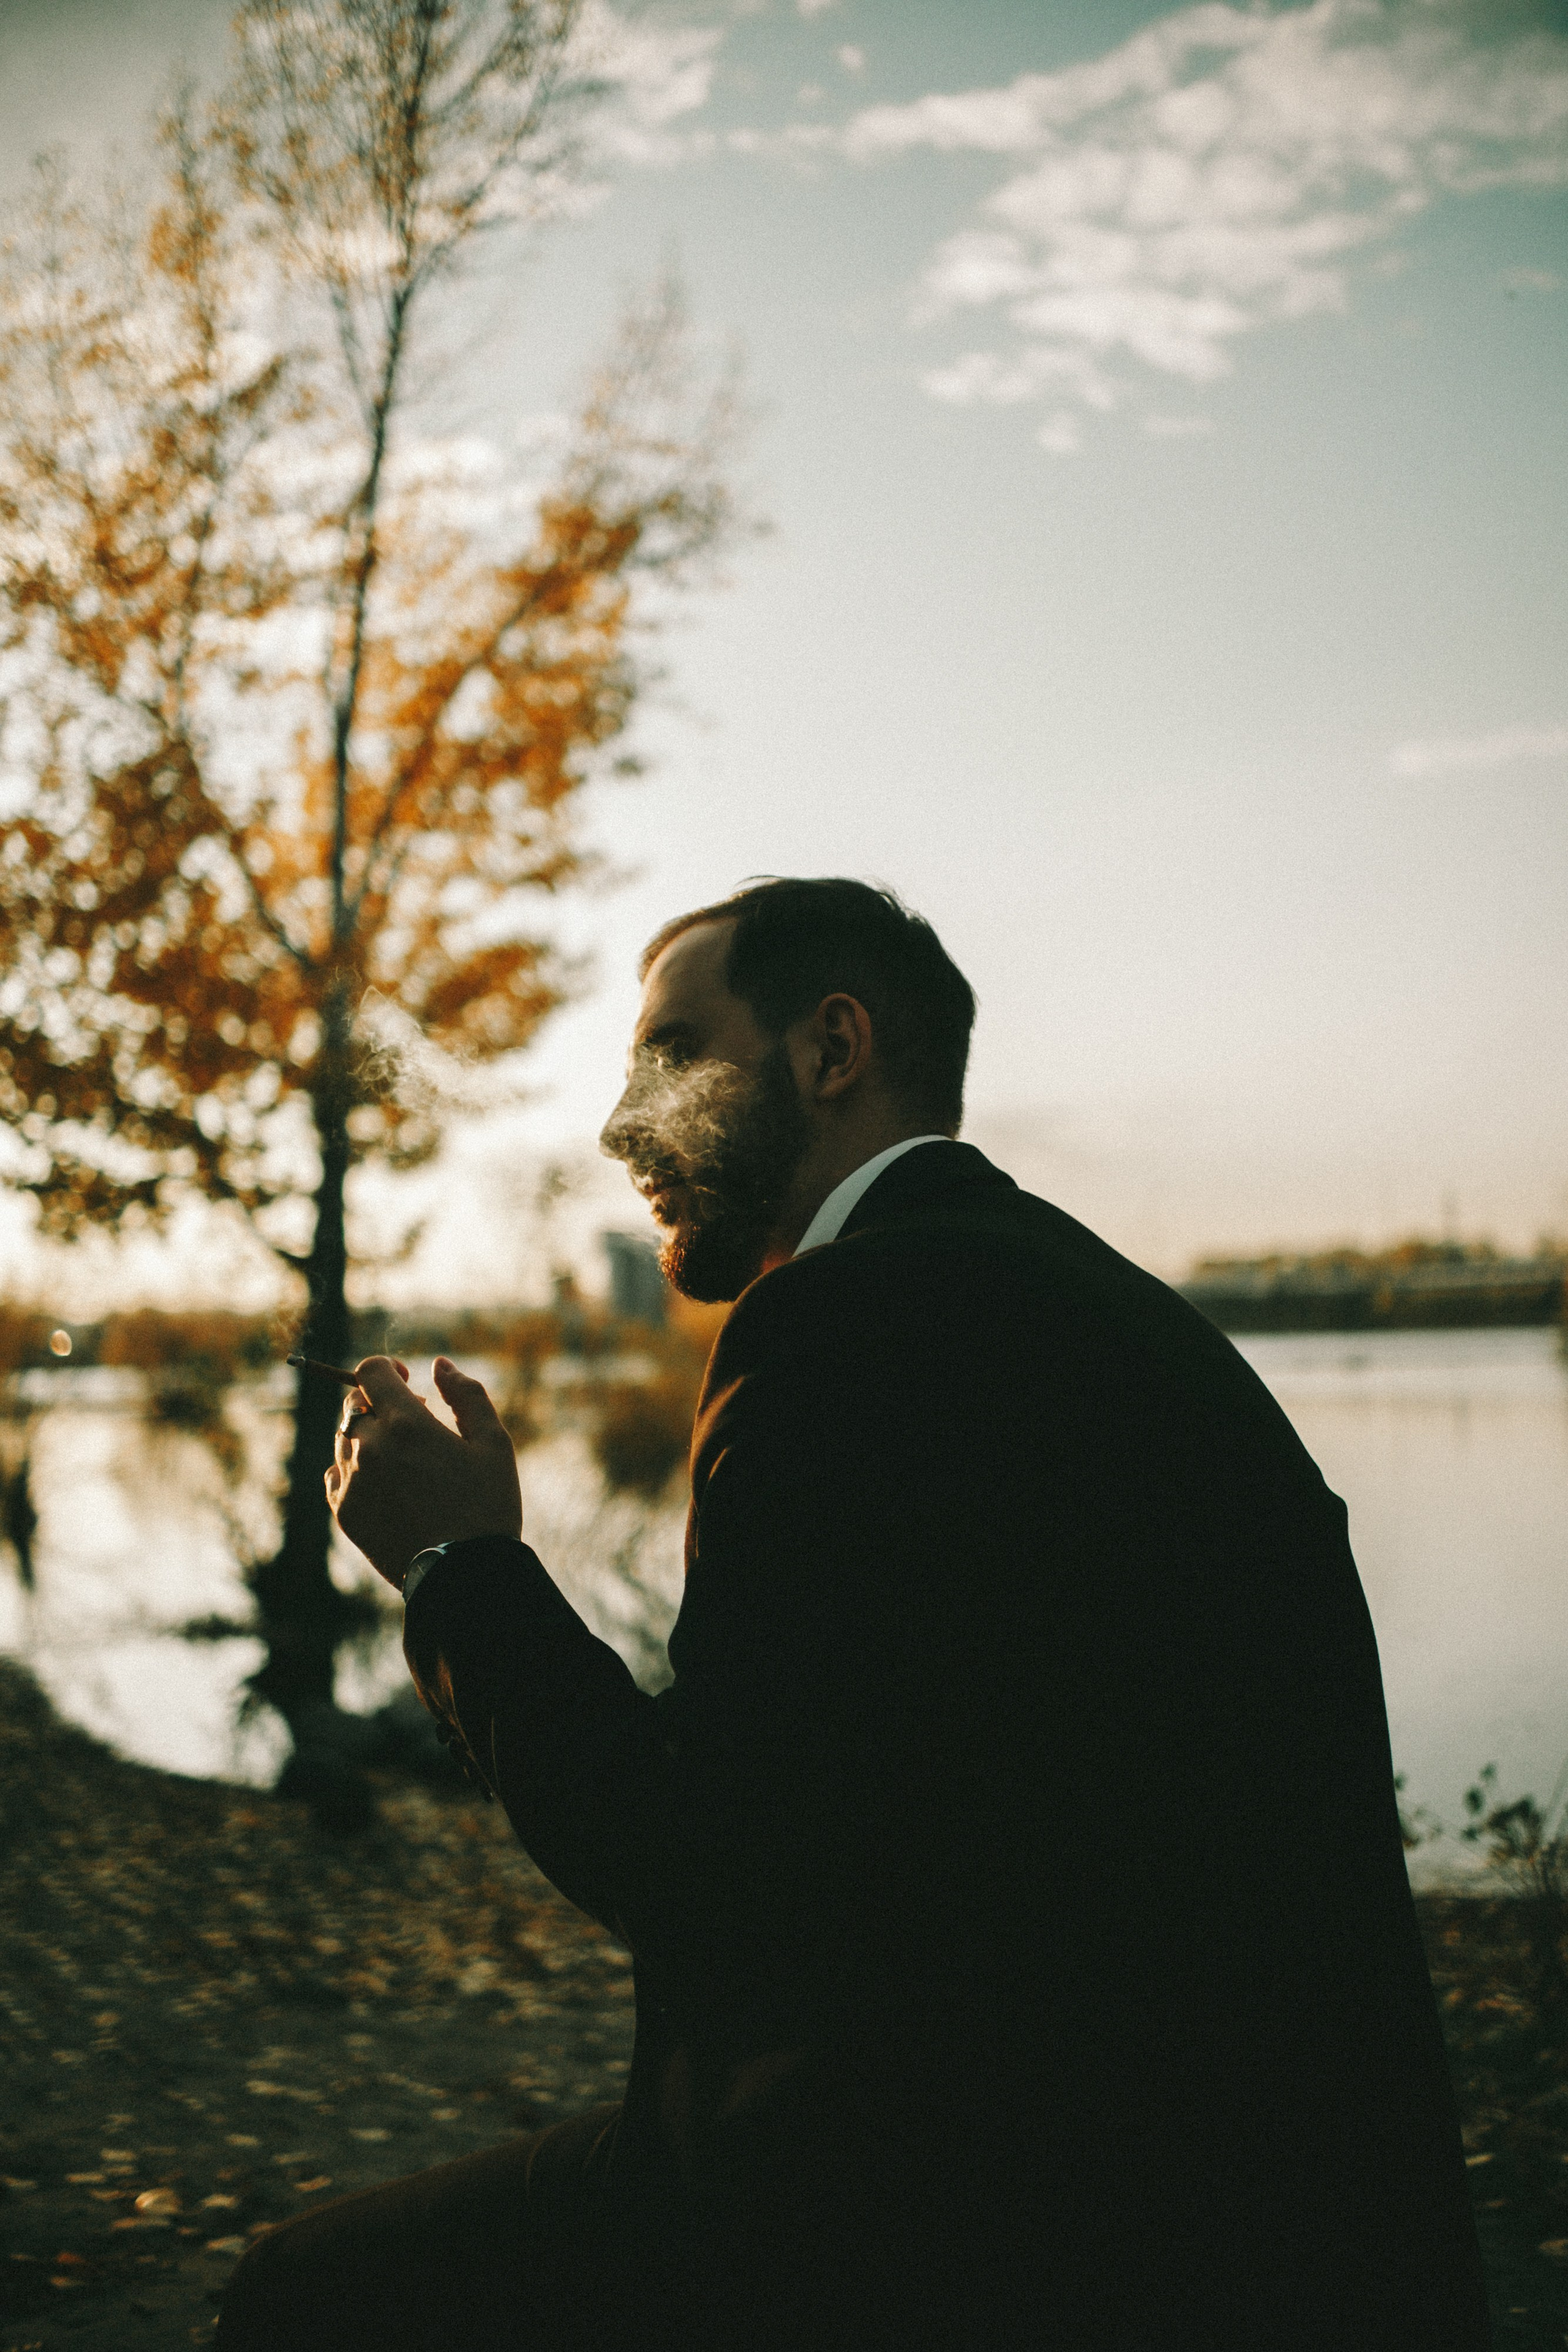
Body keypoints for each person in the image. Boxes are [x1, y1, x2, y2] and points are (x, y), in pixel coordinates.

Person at [219, 878, 1489, 2351]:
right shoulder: (1100, 1313)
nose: (625, 1124)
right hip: (1266, 2219)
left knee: (300, 2301)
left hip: (969, 2226)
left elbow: (704, 1876)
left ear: (832, 1050)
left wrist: (458, 1571)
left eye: (671, 1056)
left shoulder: (843, 1330)